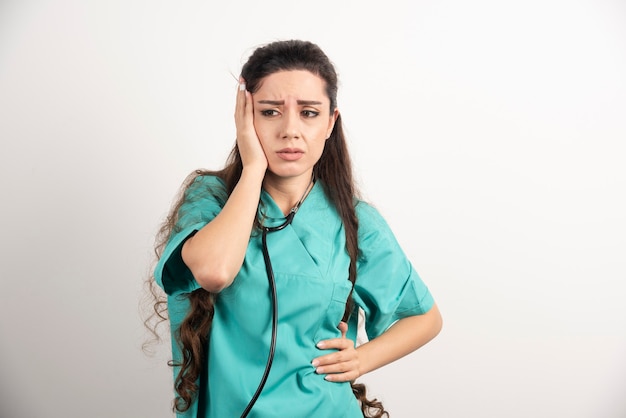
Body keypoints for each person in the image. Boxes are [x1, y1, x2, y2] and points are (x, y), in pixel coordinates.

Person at [147, 39, 442, 418]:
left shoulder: (356, 221)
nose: (290, 129)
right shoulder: (210, 198)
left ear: (330, 122)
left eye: (309, 113)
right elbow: (215, 272)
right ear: (245, 118)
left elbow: (425, 317)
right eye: (269, 112)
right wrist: (253, 170)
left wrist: (361, 359)